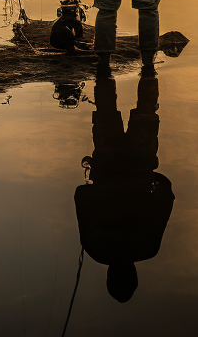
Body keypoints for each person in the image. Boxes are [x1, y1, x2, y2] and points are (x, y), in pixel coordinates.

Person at [75, 65, 175, 302]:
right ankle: (103, 65)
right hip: (107, 162)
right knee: (106, 110)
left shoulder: (148, 249)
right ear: (110, 275)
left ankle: (149, 64)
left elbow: (166, 199)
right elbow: (80, 196)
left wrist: (154, 178)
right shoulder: (95, 251)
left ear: (134, 274)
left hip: (141, 162)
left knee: (147, 110)